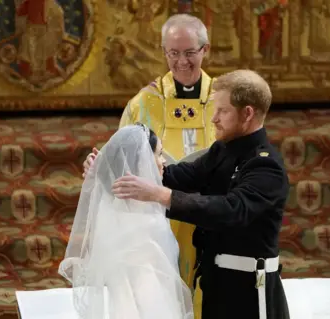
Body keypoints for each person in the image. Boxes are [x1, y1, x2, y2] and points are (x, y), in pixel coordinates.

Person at [112, 70, 291, 319]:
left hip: (248, 290)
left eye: (223, 111)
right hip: (215, 283)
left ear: (247, 113)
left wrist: (161, 196)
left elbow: (232, 210)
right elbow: (176, 176)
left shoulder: (265, 165)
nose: (214, 119)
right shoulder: (222, 151)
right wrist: (110, 169)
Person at [83, 13, 216, 315]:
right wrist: (98, 168)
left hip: (214, 213)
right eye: (173, 53)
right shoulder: (143, 103)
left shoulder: (224, 98)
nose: (181, 61)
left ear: (205, 50)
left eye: (189, 52)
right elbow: (119, 160)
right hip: (159, 218)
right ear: (164, 51)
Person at [60, 123, 194, 319]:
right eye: (158, 154)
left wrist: (103, 168)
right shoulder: (140, 218)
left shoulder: (115, 203)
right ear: (142, 161)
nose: (164, 161)